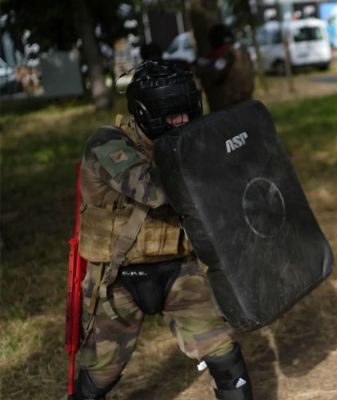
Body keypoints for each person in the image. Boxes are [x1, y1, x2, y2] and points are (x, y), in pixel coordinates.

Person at [74, 60, 252, 400]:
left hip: (178, 271)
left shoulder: (186, 140)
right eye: (173, 115)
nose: (183, 122)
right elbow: (154, 191)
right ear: (145, 112)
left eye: (188, 112)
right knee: (99, 377)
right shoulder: (107, 143)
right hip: (119, 278)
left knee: (225, 356)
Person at [196, 24, 255, 112]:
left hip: (232, 109)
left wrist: (202, 69)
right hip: (246, 106)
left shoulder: (226, 56)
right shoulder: (242, 54)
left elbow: (215, 75)